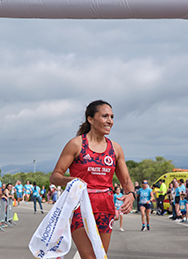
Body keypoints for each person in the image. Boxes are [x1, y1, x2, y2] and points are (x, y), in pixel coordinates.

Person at [50, 100, 135, 258]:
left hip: (105, 206)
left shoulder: (115, 148)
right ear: (90, 119)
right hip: (80, 205)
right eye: (104, 116)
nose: (110, 121)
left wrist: (131, 194)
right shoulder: (76, 144)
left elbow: (127, 181)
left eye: (111, 116)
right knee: (89, 257)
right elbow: (55, 176)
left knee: (100, 255)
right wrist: (70, 180)